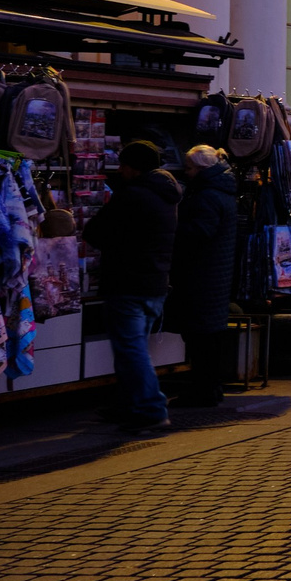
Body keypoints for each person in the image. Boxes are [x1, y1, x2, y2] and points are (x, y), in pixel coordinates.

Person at [87, 140, 181, 434]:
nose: (120, 171)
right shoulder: (167, 196)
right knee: (133, 348)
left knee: (131, 350)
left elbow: (95, 232)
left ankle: (151, 409)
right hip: (155, 283)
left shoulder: (132, 196)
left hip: (128, 283)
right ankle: (130, 405)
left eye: (124, 165)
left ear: (134, 167)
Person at [165, 146, 239, 408]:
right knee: (209, 337)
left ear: (201, 169)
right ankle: (210, 387)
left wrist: (173, 227)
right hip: (215, 275)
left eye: (189, 168)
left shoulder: (207, 196)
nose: (186, 172)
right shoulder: (222, 192)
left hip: (202, 275)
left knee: (200, 338)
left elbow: (199, 232)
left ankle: (203, 390)